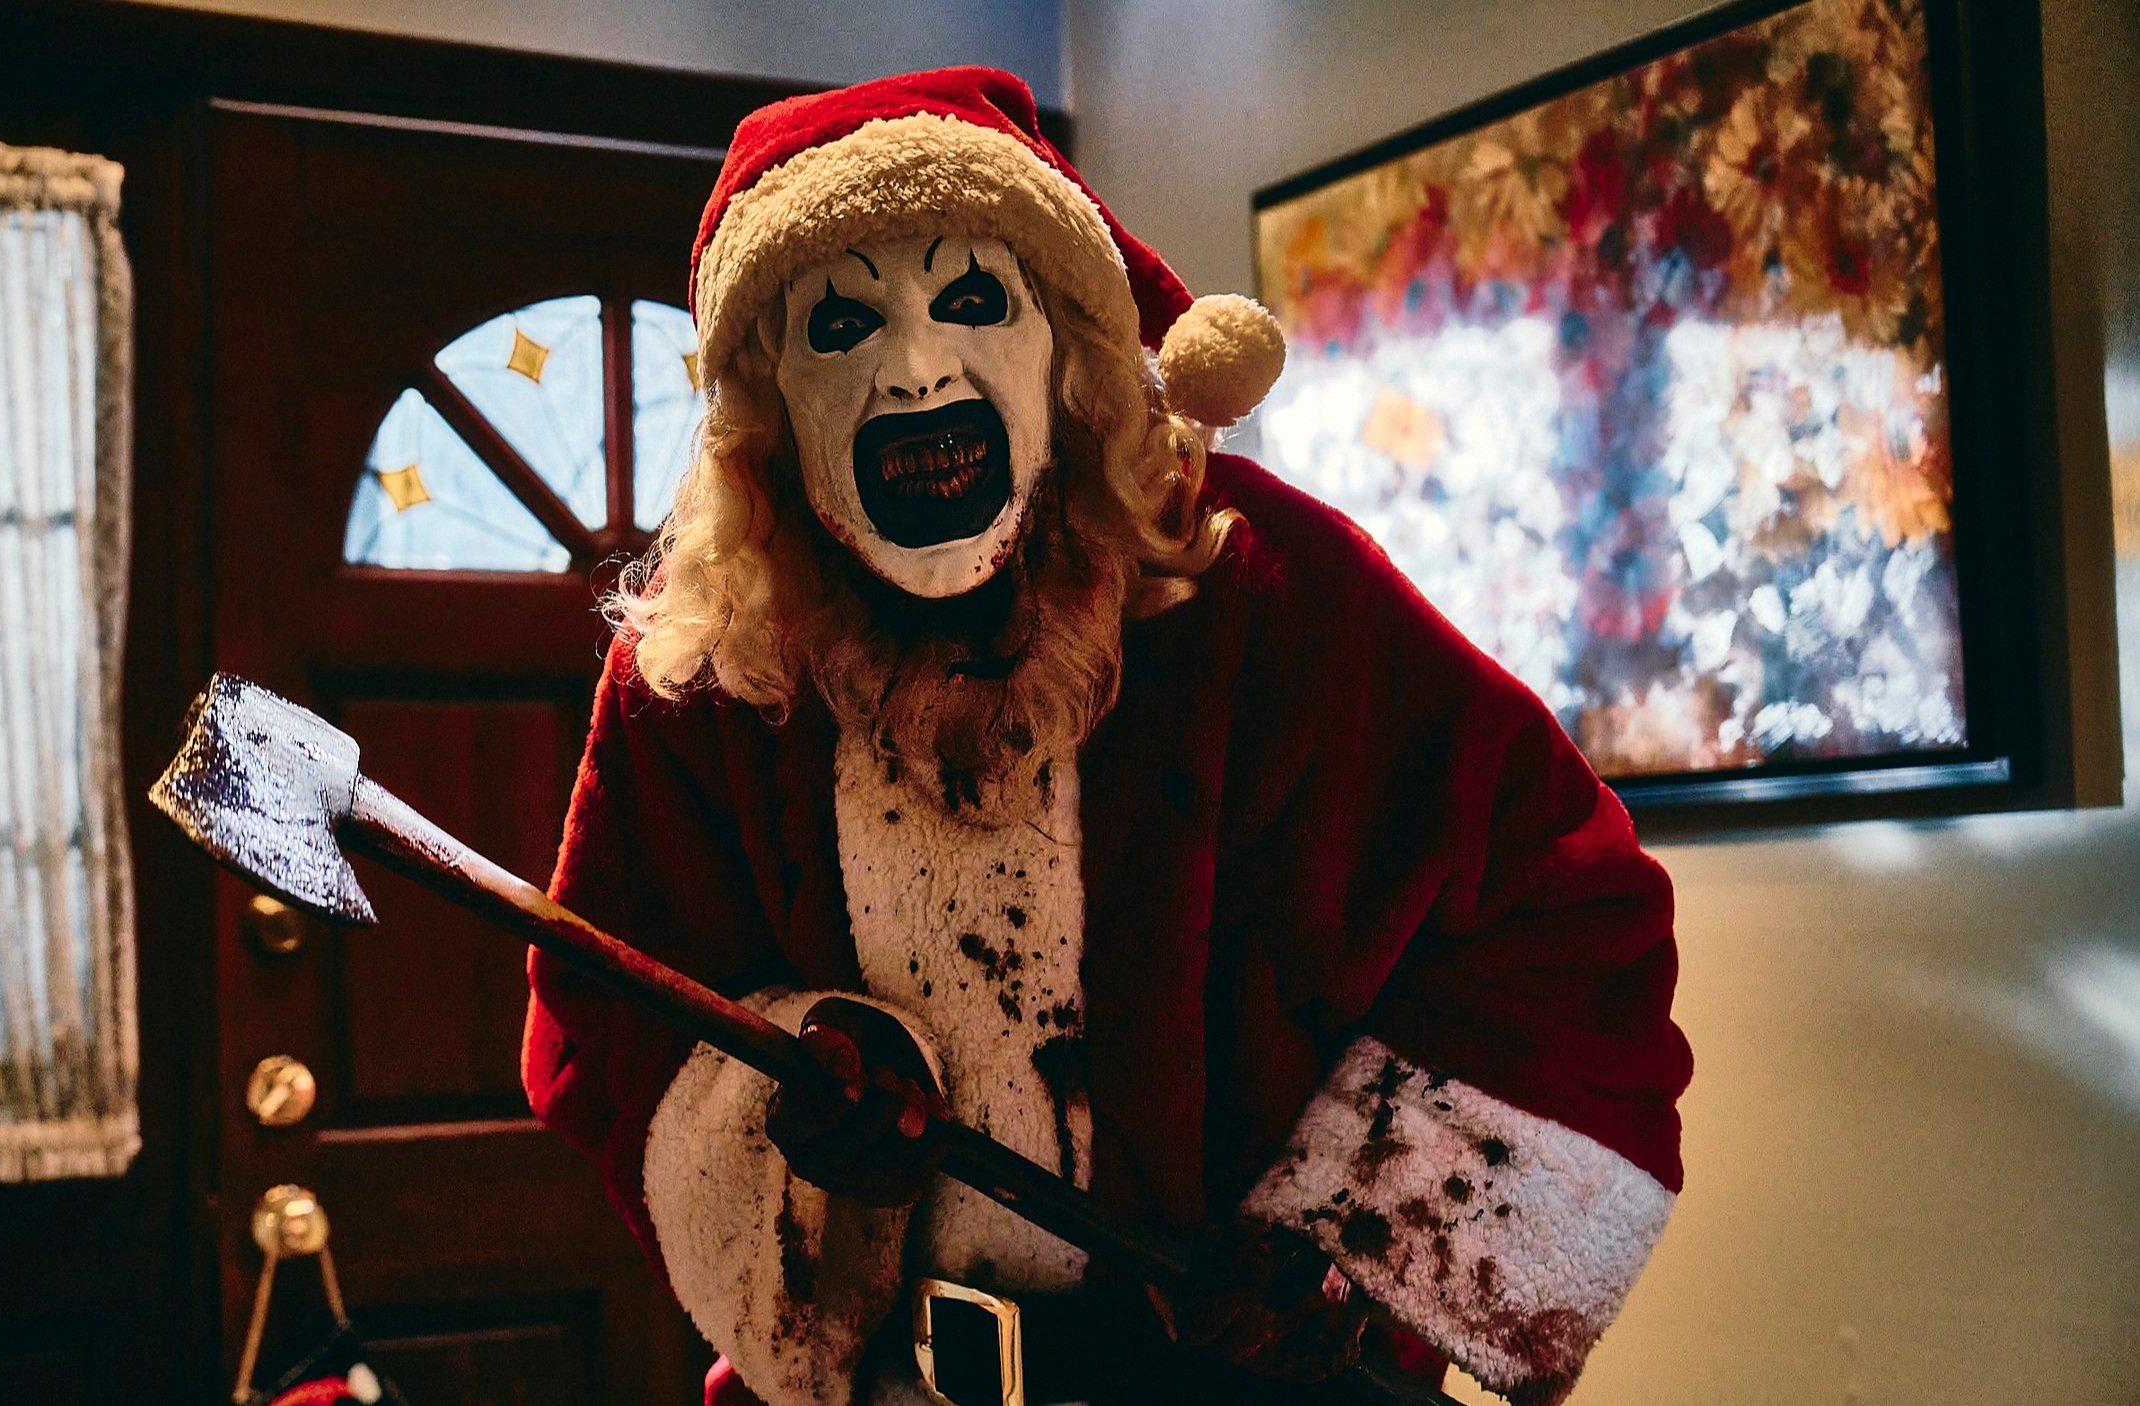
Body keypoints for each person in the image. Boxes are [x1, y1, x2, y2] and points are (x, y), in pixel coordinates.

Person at [521, 66, 1691, 1406]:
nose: (914, 367)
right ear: (768, 407)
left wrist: (1348, 1248)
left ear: (1066, 345)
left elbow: (1562, 911)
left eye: (971, 301)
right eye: (840, 324)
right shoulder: (706, 668)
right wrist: (794, 1100)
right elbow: (610, 1023)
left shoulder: (1258, 584)